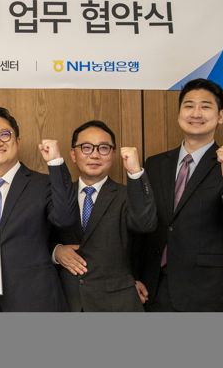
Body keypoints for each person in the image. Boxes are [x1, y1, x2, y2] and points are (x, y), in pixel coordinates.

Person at [133, 78, 223, 311]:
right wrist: (133, 275)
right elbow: (142, 225)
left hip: (205, 290)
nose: (196, 113)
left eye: (205, 106)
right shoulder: (155, 164)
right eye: (189, 105)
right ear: (179, 114)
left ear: (220, 116)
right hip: (154, 288)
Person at [0, 107, 79, 312]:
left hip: (34, 302)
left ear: (18, 141)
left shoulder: (43, 184)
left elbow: (66, 218)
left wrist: (56, 163)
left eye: (5, 134)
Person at [48, 120, 157, 311]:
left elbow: (145, 224)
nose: (95, 155)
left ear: (113, 154)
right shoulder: (58, 195)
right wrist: (56, 251)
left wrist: (135, 172)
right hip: (67, 301)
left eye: (104, 148)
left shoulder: (127, 195)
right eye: (86, 148)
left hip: (117, 304)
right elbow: (37, 237)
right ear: (73, 155)